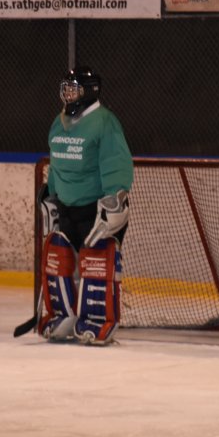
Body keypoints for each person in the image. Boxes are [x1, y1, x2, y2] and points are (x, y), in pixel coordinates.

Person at [39, 66, 134, 346]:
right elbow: (56, 163)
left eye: (74, 90)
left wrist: (114, 201)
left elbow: (116, 163)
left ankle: (98, 319)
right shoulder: (59, 122)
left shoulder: (105, 122)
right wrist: (51, 196)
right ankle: (63, 315)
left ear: (89, 92)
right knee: (58, 261)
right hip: (66, 207)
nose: (68, 95)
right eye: (65, 89)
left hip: (95, 209)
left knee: (96, 263)